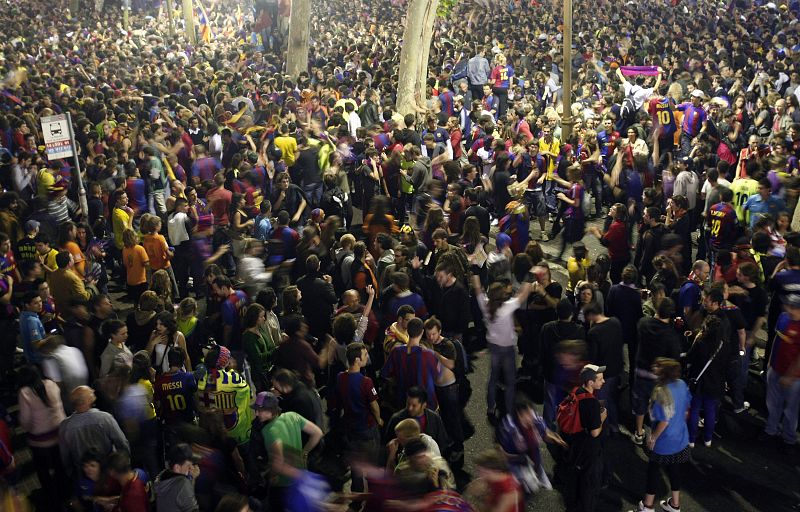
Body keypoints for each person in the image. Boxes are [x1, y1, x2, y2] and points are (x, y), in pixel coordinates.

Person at [628, 358, 691, 512]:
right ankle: (675, 505)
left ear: (664, 373)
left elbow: (664, 421)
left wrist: (653, 438)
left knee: (653, 471)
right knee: (674, 469)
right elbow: (686, 410)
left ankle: (648, 506)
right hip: (681, 438)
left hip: (664, 442)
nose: (654, 367)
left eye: (657, 367)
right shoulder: (682, 384)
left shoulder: (661, 392)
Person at [473, 271, 534, 419]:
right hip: (507, 348)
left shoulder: (485, 305)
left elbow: (477, 289)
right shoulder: (506, 307)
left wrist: (475, 272)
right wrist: (529, 277)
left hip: (493, 346)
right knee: (510, 380)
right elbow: (523, 295)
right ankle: (508, 409)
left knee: (493, 378)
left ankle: (491, 406)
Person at [252, 391, 324, 511]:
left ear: (272, 410)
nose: (257, 413)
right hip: (301, 476)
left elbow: (278, 462)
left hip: (283, 484)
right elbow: (317, 433)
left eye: (260, 410)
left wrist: (272, 476)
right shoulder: (292, 416)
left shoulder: (269, 431)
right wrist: (305, 452)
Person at [328, 342, 382, 494]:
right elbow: (374, 406)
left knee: (356, 465)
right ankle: (373, 493)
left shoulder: (340, 377)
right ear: (357, 360)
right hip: (366, 428)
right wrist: (378, 419)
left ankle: (356, 495)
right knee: (371, 464)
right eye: (365, 355)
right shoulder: (366, 382)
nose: (367, 357)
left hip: (350, 428)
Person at [16, 365, 67, 503]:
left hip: (39, 441)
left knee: (42, 469)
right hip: (59, 433)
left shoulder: (24, 392)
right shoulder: (51, 383)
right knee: (59, 465)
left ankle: (50, 495)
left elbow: (26, 421)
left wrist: (25, 426)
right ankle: (64, 491)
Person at [58, 385, 130, 479]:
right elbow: (122, 443)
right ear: (85, 402)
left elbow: (65, 455)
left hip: (83, 473)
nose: (93, 390)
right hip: (109, 471)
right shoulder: (105, 418)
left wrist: (71, 472)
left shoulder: (65, 426)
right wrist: (125, 464)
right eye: (90, 393)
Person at [563, 364, 607, 512]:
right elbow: (595, 432)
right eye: (600, 379)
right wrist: (602, 418)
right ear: (590, 382)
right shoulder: (592, 403)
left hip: (577, 445)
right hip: (589, 451)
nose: (604, 381)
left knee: (577, 479)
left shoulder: (577, 391)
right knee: (589, 487)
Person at [685, 313, 728, 448]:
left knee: (695, 409)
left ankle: (691, 440)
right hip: (715, 384)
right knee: (710, 410)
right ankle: (708, 439)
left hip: (699, 383)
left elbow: (689, 358)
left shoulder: (701, 343)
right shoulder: (725, 345)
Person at [763, 293, 800, 447]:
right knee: (772, 403)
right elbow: (776, 339)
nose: (786, 308)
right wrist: (770, 362)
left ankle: (789, 438)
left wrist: (790, 376)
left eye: (790, 306)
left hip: (794, 378)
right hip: (776, 369)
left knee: (790, 409)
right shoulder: (783, 318)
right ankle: (771, 430)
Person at [382, 317, 441, 411]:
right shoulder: (429, 354)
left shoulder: (396, 352)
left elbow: (386, 374)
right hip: (426, 404)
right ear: (422, 332)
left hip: (404, 403)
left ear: (407, 331)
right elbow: (438, 376)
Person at [583, 301, 624, 433]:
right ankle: (615, 425)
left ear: (590, 315)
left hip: (603, 374)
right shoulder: (616, 322)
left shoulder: (594, 332)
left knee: (602, 402)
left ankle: (604, 429)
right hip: (617, 369)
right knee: (612, 398)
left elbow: (593, 358)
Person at [153, 443, 201, 512]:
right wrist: (193, 479)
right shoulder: (183, 484)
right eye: (188, 466)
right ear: (177, 467)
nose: (191, 468)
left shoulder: (162, 476)